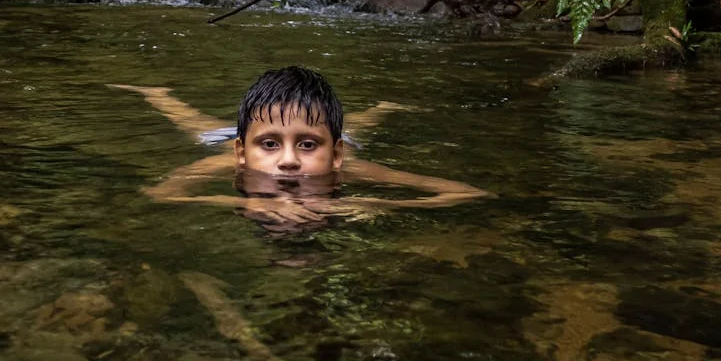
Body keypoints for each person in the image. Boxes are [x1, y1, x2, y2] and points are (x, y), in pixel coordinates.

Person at [111, 66, 491, 232]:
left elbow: (466, 192)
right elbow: (160, 194)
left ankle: (383, 108)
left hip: (339, 140)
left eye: (306, 146)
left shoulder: (350, 166)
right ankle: (159, 96)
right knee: (194, 125)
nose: (289, 161)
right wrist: (246, 204)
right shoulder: (225, 162)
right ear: (242, 153)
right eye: (271, 145)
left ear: (335, 156)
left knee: (357, 125)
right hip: (229, 137)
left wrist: (376, 205)